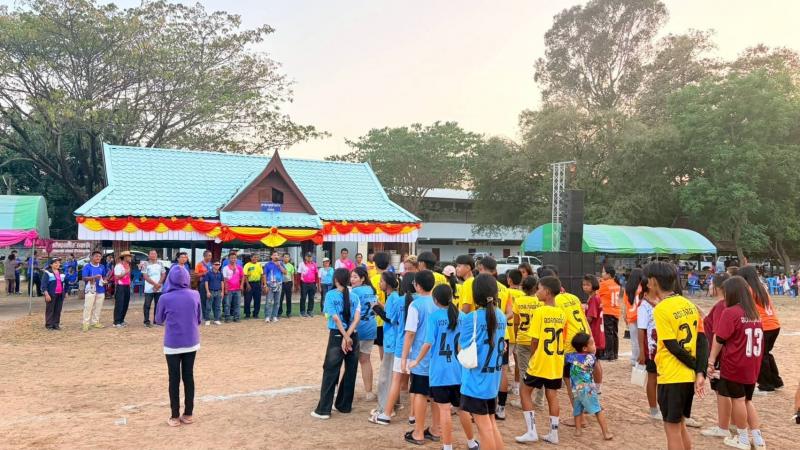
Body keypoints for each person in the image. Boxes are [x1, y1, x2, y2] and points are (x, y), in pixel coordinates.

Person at [407, 284, 477, 450]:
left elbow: (428, 343)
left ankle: (447, 446)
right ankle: (472, 442)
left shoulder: (434, 317)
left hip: (439, 371)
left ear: (436, 300)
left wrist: (416, 361)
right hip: (459, 371)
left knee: (444, 410)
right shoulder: (462, 316)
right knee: (462, 409)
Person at [647, 261, 708, 450]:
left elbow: (672, 346)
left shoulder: (661, 309)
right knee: (680, 424)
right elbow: (702, 341)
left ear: (654, 281)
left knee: (672, 429)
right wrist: (700, 371)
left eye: (648, 280)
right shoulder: (689, 304)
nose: (647, 284)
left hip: (671, 376)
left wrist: (695, 365)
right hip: (687, 377)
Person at [707, 276, 767, 450]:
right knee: (748, 400)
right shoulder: (754, 312)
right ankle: (758, 439)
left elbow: (719, 338)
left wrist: (711, 360)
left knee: (738, 400)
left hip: (735, 363)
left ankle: (743, 439)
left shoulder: (731, 312)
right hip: (752, 362)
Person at [516, 276, 566, 444]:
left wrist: (532, 357)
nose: (537, 292)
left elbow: (535, 340)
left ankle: (531, 431)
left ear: (548, 292)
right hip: (555, 360)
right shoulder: (561, 313)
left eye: (539, 289)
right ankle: (554, 433)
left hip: (540, 360)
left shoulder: (540, 311)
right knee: (552, 394)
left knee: (524, 391)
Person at [459, 274, 506, 450]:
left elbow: (462, 347)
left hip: (475, 380)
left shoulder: (471, 318)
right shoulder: (501, 315)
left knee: (484, 427)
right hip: (492, 379)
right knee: (491, 424)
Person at [154, 266, 201, 427]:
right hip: (191, 341)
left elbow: (158, 319)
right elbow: (199, 318)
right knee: (188, 376)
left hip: (172, 343)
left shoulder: (165, 298)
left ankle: (174, 416)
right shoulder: (195, 294)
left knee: (174, 378)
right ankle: (188, 414)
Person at [312, 268, 361, 419]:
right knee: (351, 370)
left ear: (336, 280)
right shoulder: (354, 296)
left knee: (331, 371)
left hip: (337, 335)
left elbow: (335, 318)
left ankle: (323, 410)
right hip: (353, 336)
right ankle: (344, 405)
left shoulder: (330, 295)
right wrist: (349, 336)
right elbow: (356, 319)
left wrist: (344, 337)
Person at [401, 270, 441, 445]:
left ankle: (418, 432)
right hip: (438, 357)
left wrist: (404, 358)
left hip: (421, 357)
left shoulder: (415, 305)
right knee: (436, 395)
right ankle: (435, 429)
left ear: (417, 286)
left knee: (420, 393)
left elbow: (410, 334)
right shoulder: (439, 302)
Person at [738, 265, 783, 393]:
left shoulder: (749, 290)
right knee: (765, 354)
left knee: (760, 356)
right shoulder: (761, 288)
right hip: (774, 325)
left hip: (764, 327)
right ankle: (776, 381)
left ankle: (766, 384)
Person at [701, 272, 734, 439]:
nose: (709, 286)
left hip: (720, 354)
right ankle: (732, 422)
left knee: (721, 391)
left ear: (719, 287)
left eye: (711, 283)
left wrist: (712, 358)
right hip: (726, 354)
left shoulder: (722, 305)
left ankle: (723, 427)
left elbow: (718, 334)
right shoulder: (726, 304)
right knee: (727, 391)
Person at [567, 333, 613, 440]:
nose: (594, 346)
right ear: (584, 348)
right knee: (596, 409)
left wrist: (574, 361)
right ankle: (605, 432)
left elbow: (567, 359)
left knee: (578, 409)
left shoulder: (572, 356)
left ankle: (578, 430)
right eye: (592, 344)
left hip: (576, 388)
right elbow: (587, 367)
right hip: (587, 389)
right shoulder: (591, 357)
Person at [370, 271, 401, 419]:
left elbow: (390, 319)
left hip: (391, 341)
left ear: (387, 283)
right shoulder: (393, 297)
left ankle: (385, 407)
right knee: (391, 374)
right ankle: (394, 404)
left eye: (382, 281)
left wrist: (375, 308)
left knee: (386, 376)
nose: (380, 283)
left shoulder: (393, 297)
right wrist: (380, 306)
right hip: (392, 340)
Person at [513, 275, 543, 409]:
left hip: (523, 338)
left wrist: (516, 337)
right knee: (539, 369)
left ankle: (523, 401)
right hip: (537, 339)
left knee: (524, 371)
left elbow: (516, 323)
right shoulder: (540, 302)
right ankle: (539, 400)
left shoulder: (518, 301)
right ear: (536, 288)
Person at [637, 274, 661, 420]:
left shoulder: (661, 300)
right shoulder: (644, 306)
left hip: (663, 347)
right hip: (652, 348)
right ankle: (654, 410)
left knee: (662, 378)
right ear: (649, 286)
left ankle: (662, 407)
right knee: (652, 378)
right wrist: (641, 352)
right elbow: (641, 330)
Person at [351, 267, 378, 401]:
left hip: (357, 328)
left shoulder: (354, 292)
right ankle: (369, 392)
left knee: (350, 361)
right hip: (370, 327)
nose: (352, 279)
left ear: (362, 278)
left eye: (355, 277)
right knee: (365, 360)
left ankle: (346, 392)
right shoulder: (371, 289)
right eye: (351, 277)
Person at [370, 252, 391, 360]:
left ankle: (384, 366)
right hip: (391, 316)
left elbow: (372, 299)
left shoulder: (373, 279)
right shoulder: (393, 277)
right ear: (388, 264)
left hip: (379, 318)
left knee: (381, 346)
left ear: (375, 264)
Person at [598, 267, 621, 361]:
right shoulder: (616, 283)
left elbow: (597, 293)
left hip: (607, 311)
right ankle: (615, 354)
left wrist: (600, 282)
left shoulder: (604, 284)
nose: (602, 274)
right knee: (614, 333)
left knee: (608, 333)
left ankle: (609, 354)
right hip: (616, 311)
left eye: (604, 272)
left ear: (609, 274)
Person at [81, 251, 107, 330]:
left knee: (98, 307)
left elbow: (104, 276)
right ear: (92, 257)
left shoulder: (102, 266)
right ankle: (85, 324)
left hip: (100, 289)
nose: (98, 258)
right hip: (90, 289)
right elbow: (84, 278)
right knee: (88, 307)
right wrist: (94, 277)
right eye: (96, 256)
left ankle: (95, 322)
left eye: (99, 256)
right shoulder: (87, 267)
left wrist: (105, 280)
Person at [140, 250, 166, 328]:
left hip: (159, 288)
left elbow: (163, 274)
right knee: (147, 305)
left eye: (155, 253)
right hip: (149, 288)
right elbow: (145, 276)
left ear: (157, 255)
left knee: (158, 305)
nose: (153, 255)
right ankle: (146, 322)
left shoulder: (160, 263)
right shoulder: (145, 264)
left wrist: (159, 284)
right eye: (151, 254)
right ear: (148, 255)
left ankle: (156, 321)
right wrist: (155, 284)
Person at [624, 268, 644, 366]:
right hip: (641, 316)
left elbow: (625, 305)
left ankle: (634, 359)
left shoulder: (627, 288)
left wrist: (625, 316)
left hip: (631, 316)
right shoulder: (642, 288)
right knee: (642, 339)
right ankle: (642, 358)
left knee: (634, 340)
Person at [583, 274, 605, 357]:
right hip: (598, 333)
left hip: (595, 333)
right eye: (584, 285)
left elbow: (589, 318)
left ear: (594, 285)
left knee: (593, 359)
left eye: (588, 285)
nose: (585, 287)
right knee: (596, 359)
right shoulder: (595, 297)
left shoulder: (594, 299)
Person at [42, 257, 65, 330]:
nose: (57, 264)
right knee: (50, 309)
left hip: (60, 294)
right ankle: (49, 325)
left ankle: (56, 324)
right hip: (51, 294)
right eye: (55, 263)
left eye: (58, 263)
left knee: (58, 310)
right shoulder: (47, 273)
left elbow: (65, 282)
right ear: (51, 264)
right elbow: (43, 285)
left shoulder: (61, 272)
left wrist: (66, 292)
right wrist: (46, 294)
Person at [263, 251, 286, 322]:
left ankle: (274, 316)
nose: (276, 256)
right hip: (270, 285)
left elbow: (285, 272)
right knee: (269, 301)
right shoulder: (268, 264)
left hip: (279, 285)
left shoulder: (281, 263)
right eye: (274, 255)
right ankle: (267, 316)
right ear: (271, 256)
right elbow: (264, 275)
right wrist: (265, 285)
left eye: (277, 255)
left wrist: (279, 266)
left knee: (277, 302)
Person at [113, 251, 133, 328]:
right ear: (124, 257)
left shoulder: (128, 265)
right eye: (129, 256)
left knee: (125, 304)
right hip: (120, 286)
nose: (130, 258)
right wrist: (125, 272)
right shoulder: (119, 266)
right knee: (119, 304)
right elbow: (117, 277)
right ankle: (116, 322)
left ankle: (121, 320)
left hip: (127, 286)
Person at [222, 255, 244, 323]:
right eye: (232, 258)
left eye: (234, 258)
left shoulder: (239, 267)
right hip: (229, 289)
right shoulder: (225, 268)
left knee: (237, 304)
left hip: (237, 289)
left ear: (236, 259)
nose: (233, 259)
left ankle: (236, 318)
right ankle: (227, 318)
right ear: (229, 259)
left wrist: (241, 285)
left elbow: (243, 277)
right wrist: (226, 289)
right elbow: (225, 279)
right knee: (227, 304)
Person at [242, 254, 264, 319]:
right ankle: (247, 314)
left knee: (257, 300)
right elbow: (245, 275)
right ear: (251, 258)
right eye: (254, 257)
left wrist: (262, 284)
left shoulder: (259, 265)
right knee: (247, 300)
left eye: (256, 257)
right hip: (249, 284)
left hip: (257, 284)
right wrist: (247, 284)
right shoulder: (247, 265)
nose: (255, 258)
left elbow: (262, 275)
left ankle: (255, 314)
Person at [194, 251, 214, 323]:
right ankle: (204, 316)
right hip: (202, 283)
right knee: (203, 299)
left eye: (211, 255)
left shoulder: (212, 264)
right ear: (205, 256)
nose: (210, 257)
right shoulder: (199, 264)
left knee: (210, 299)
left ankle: (209, 315)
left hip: (211, 284)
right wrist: (204, 273)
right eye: (209, 255)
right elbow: (196, 275)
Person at [297, 253, 319, 317]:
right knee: (303, 297)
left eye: (310, 257)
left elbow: (316, 274)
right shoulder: (302, 264)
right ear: (305, 257)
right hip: (304, 283)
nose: (309, 258)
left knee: (311, 298)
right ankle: (302, 312)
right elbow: (299, 274)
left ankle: (310, 311)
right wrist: (298, 284)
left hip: (312, 283)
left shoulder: (314, 264)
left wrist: (316, 284)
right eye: (308, 256)